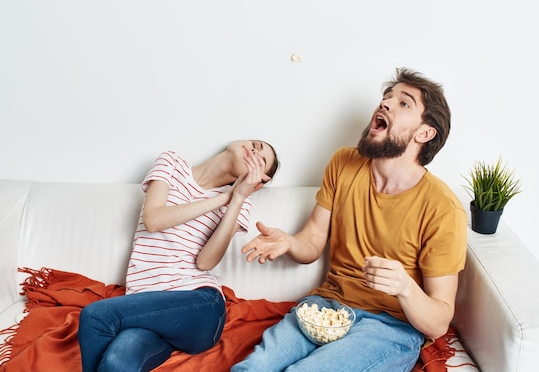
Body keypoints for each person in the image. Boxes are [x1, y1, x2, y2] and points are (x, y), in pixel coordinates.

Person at [231, 68, 467, 372]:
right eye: (386, 97)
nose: (385, 104)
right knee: (250, 369)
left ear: (424, 133)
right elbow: (313, 241)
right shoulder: (344, 162)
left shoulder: (443, 209)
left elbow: (438, 322)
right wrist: (290, 241)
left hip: (390, 327)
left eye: (403, 103)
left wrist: (405, 287)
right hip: (325, 306)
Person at [78, 140, 280, 372]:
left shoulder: (240, 204)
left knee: (97, 315)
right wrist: (224, 198)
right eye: (254, 145)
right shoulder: (171, 163)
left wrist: (236, 198)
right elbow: (154, 220)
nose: (254, 151)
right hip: (146, 307)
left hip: (199, 307)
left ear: (258, 180)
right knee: (116, 363)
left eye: (260, 161)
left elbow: (205, 262)